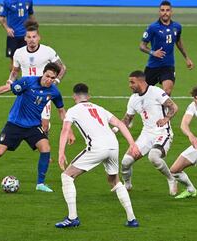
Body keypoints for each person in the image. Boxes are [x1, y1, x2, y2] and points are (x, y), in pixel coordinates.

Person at [0, 63, 74, 192]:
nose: (49, 80)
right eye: (47, 76)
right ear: (43, 73)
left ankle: (40, 184)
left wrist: (69, 131)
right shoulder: (28, 82)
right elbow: (6, 88)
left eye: (53, 78)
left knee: (45, 148)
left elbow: (61, 111)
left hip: (33, 126)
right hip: (15, 123)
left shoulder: (54, 91)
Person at [55, 83, 139, 228]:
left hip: (97, 147)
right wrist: (132, 144)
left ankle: (72, 218)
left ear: (74, 96)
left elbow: (65, 130)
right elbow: (120, 123)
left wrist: (61, 152)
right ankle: (132, 219)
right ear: (89, 96)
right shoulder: (100, 108)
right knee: (114, 181)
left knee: (67, 176)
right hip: (113, 145)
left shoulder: (73, 110)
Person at [118, 70, 179, 196]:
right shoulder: (133, 99)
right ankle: (127, 185)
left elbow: (174, 107)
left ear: (141, 81)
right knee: (125, 162)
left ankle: (171, 179)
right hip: (146, 135)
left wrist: (166, 119)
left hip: (162, 132)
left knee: (154, 157)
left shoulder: (155, 92)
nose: (130, 85)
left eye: (132, 82)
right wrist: (116, 127)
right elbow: (127, 119)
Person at [7, 19, 67, 132]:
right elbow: (15, 71)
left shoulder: (47, 51)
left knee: (44, 127)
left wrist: (56, 81)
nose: (31, 40)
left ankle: (45, 146)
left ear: (39, 37)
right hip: (26, 92)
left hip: (43, 92)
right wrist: (10, 81)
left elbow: (62, 67)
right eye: (29, 37)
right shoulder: (19, 53)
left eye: (34, 37)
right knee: (20, 123)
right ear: (25, 38)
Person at [140, 0, 194, 96]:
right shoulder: (152, 27)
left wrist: (187, 58)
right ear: (159, 12)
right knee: (143, 92)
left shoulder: (177, 27)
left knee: (167, 92)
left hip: (168, 65)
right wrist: (153, 52)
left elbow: (178, 42)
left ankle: (163, 111)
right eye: (162, 10)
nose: (165, 12)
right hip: (153, 65)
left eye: (167, 10)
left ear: (171, 12)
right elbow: (142, 46)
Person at [0, 0, 35, 70]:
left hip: (25, 36)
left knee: (26, 61)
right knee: (13, 61)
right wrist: (7, 29)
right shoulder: (7, 2)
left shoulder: (29, 1)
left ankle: (25, 80)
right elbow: (1, 18)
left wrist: (34, 29)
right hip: (13, 36)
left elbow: (31, 15)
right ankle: (13, 80)